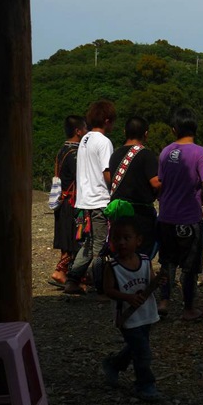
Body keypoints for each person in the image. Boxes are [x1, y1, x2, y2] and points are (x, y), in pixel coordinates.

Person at [157, 108, 203, 321]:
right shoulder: (201, 153)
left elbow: (161, 183)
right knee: (190, 267)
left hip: (165, 216)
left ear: (174, 129)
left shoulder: (165, 152)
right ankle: (188, 308)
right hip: (189, 218)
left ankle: (164, 301)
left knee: (167, 263)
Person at [102, 217, 161, 401]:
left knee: (137, 346)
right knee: (143, 351)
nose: (121, 243)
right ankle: (145, 385)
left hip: (146, 313)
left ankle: (114, 364)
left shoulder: (144, 261)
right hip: (127, 317)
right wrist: (128, 298)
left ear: (138, 240)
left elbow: (150, 282)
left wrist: (159, 281)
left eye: (126, 238)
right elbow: (108, 290)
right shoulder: (112, 266)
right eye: (116, 238)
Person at [64, 100, 116, 295]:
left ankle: (72, 280)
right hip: (99, 199)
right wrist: (115, 190)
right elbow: (107, 172)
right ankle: (102, 287)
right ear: (107, 120)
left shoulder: (85, 139)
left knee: (88, 244)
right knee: (100, 247)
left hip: (83, 200)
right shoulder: (104, 142)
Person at [108, 116, 160, 257]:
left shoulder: (115, 154)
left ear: (125, 132)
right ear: (146, 134)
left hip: (118, 212)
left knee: (121, 252)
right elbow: (155, 182)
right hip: (140, 214)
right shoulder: (146, 154)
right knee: (141, 254)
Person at [50, 115, 87, 287]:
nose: (86, 132)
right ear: (78, 131)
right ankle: (60, 271)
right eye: (85, 129)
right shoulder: (75, 153)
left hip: (62, 200)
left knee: (66, 236)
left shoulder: (62, 149)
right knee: (73, 237)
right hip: (72, 201)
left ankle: (65, 272)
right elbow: (80, 178)